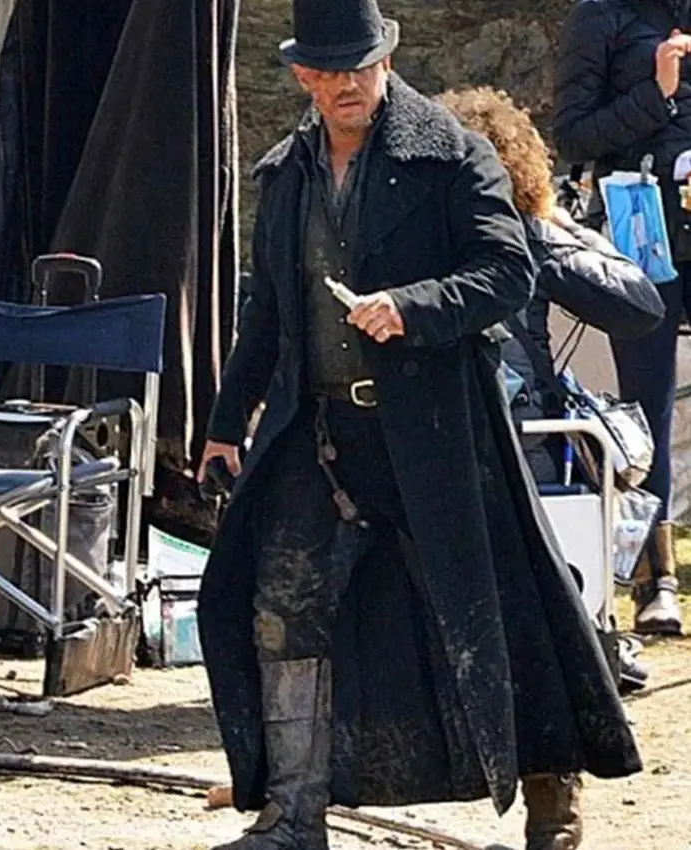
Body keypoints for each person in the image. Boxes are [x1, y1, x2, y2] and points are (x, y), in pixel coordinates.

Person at [196, 3, 642, 850]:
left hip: (440, 432)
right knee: (283, 602)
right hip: (320, 431)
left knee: (501, 608)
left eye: (359, 66)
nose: (346, 84)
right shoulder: (286, 174)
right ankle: (293, 815)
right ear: (304, 75)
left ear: (386, 61)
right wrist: (225, 425)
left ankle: (553, 797)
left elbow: (508, 271)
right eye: (330, 71)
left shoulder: (453, 157)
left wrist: (414, 306)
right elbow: (269, 314)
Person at [438, 86, 665, 692]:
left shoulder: (408, 239)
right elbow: (640, 305)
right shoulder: (529, 236)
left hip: (438, 439)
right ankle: (590, 633)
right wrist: (562, 225)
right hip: (528, 448)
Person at [553, 0, 691, 636]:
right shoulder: (600, 15)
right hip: (642, 226)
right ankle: (654, 577)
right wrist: (655, 93)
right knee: (647, 400)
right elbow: (573, 137)